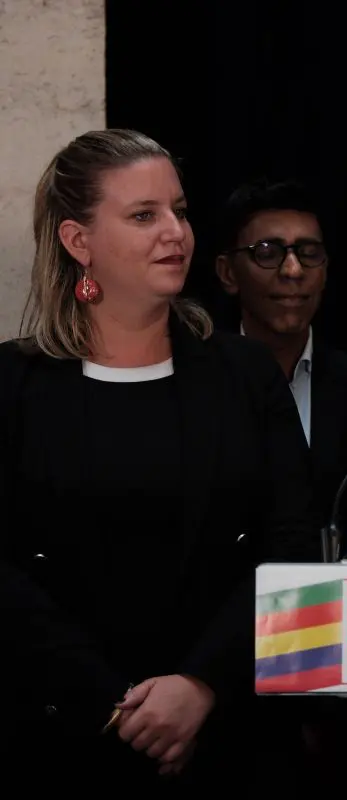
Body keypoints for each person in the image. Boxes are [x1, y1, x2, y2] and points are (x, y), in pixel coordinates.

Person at [0, 130, 316, 790]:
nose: (176, 232)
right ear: (78, 241)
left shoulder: (244, 375)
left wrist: (201, 684)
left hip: (233, 739)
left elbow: (291, 548)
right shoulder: (14, 386)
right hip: (61, 736)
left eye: (180, 210)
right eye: (144, 215)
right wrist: (114, 707)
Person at [215, 178, 347, 526]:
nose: (293, 270)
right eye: (267, 252)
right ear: (228, 273)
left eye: (309, 253)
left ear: (325, 272)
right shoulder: (200, 381)